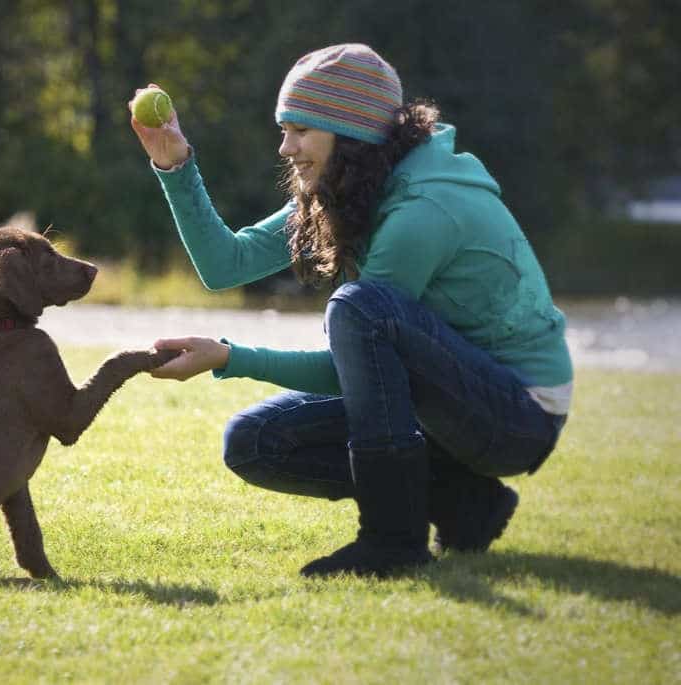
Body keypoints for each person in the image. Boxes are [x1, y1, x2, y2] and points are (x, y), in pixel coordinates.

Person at [129, 44, 572, 577]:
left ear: (351, 132)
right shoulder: (349, 186)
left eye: (300, 130)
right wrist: (173, 162)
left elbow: (353, 365)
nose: (285, 147)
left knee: (360, 308)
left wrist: (229, 357)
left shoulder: (422, 209)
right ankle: (463, 500)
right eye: (284, 128)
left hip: (518, 414)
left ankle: (393, 542)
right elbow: (227, 264)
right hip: (449, 404)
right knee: (255, 442)